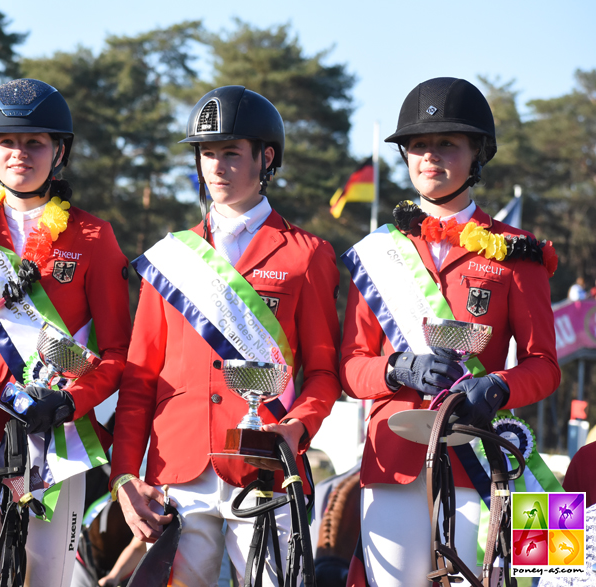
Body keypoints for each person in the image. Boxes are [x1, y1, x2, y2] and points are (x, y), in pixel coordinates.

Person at [110, 86, 342, 586]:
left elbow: (324, 374)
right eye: (207, 154)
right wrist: (126, 475)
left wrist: (297, 428)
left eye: (232, 153)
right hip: (179, 472)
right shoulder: (170, 259)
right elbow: (138, 382)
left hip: (266, 469)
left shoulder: (308, 254)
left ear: (267, 157)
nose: (216, 167)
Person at [339, 77, 561, 586]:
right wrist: (397, 367)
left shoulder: (516, 251)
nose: (430, 156)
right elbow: (351, 365)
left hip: (478, 458)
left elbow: (544, 366)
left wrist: (500, 385)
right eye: (419, 145)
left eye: (447, 144)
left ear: (477, 153)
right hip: (392, 461)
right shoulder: (377, 253)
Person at [0, 78, 131, 587]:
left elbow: (117, 353)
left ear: (59, 152)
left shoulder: (95, 236)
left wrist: (67, 404)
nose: (20, 153)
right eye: (7, 142)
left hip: (55, 438)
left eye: (35, 142)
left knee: (47, 579)